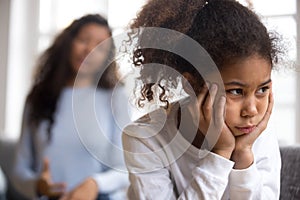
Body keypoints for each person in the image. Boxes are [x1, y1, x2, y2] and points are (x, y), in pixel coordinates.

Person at [122, 0, 283, 199]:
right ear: (191, 85)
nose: (252, 110)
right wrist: (220, 153)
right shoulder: (145, 139)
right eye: (236, 91)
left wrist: (243, 155)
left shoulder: (258, 135)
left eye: (263, 89)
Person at [12, 14, 129, 200]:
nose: (89, 50)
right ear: (68, 43)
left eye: (100, 47)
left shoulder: (115, 98)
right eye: (83, 40)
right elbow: (20, 169)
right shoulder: (37, 97)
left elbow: (125, 170)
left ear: (106, 57)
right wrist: (38, 185)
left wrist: (95, 184)